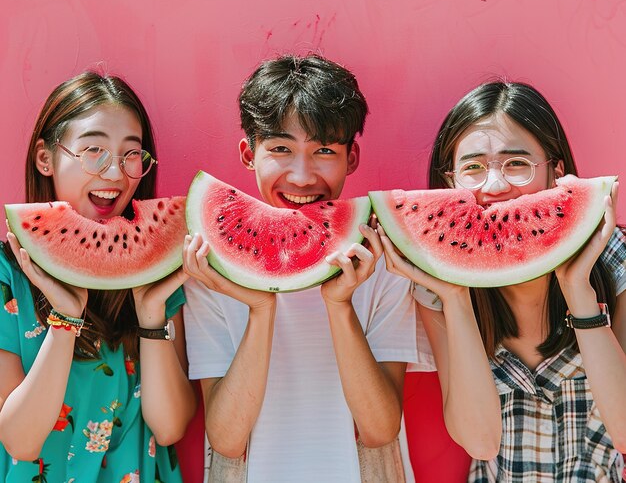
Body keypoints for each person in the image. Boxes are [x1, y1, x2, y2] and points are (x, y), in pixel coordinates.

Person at [182, 54, 419, 482]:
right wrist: (259, 307)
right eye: (280, 149)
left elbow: (381, 429)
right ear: (248, 154)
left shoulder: (383, 263)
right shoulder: (209, 271)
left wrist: (340, 305)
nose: (303, 175)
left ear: (352, 157)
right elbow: (226, 439)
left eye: (324, 150)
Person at [379, 80, 626, 482]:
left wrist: (578, 290)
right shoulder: (434, 282)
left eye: (516, 164)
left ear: (557, 173)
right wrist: (456, 297)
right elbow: (480, 442)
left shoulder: (614, 257)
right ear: (449, 186)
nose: (494, 186)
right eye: (473, 168)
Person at [0, 71, 196, 483]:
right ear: (45, 158)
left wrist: (151, 317)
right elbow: (20, 441)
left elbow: (170, 427)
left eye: (131, 154)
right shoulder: (7, 275)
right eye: (93, 150)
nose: (114, 173)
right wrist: (65, 321)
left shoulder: (160, 271)